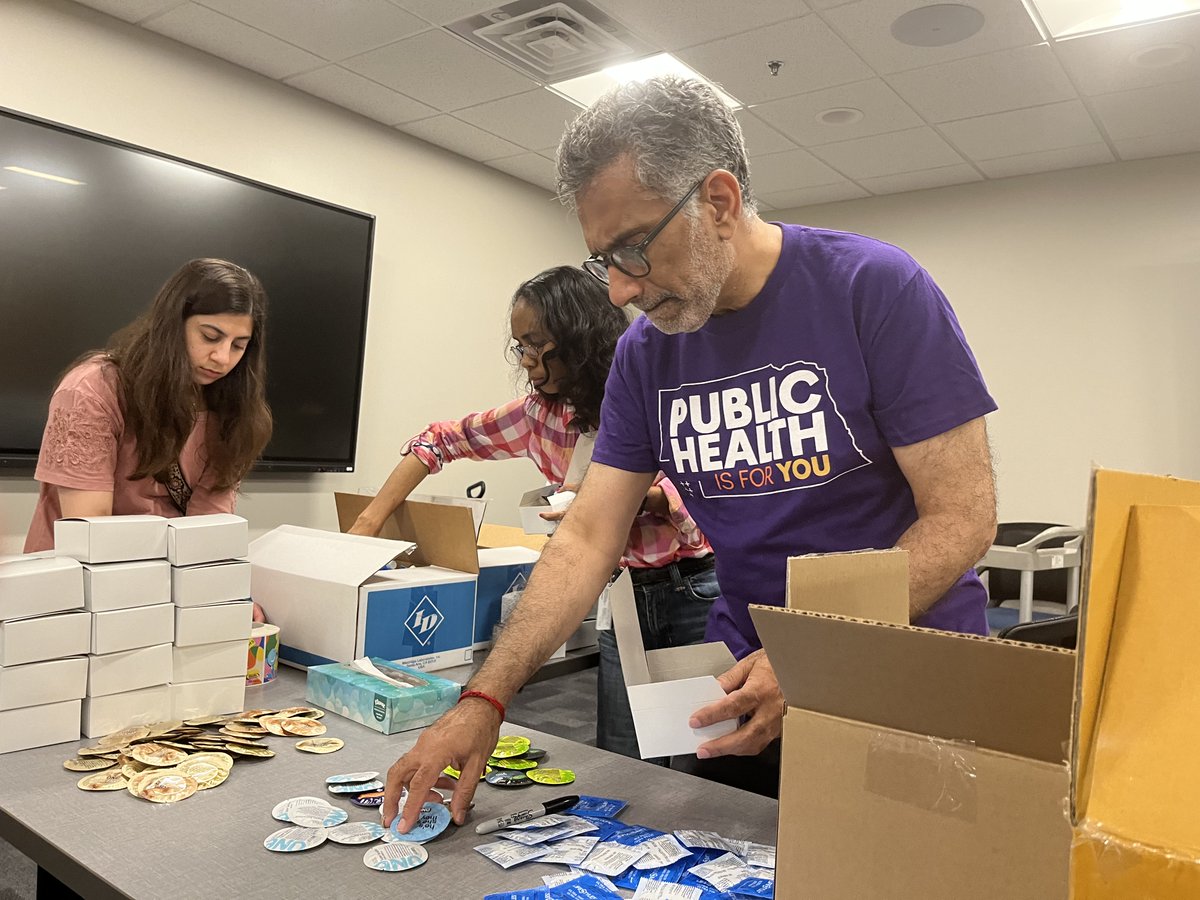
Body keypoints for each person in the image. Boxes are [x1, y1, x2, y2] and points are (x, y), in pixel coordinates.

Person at [384, 76, 997, 832]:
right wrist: (485, 697)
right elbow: (585, 537)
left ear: (719, 201)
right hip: (748, 682)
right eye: (603, 259)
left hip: (906, 679)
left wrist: (812, 656)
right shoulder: (648, 350)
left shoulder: (874, 287)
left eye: (633, 251)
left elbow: (962, 517)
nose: (616, 291)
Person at [348, 265, 718, 761]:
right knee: (624, 753)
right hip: (624, 594)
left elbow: (711, 494)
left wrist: (643, 501)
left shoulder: (653, 397)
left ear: (579, 339)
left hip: (694, 587)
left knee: (701, 748)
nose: (526, 361)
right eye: (520, 346)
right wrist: (370, 522)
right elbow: (437, 440)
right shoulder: (537, 416)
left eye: (536, 344)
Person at [25, 258, 273, 620]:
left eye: (239, 345)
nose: (221, 358)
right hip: (71, 602)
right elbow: (90, 534)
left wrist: (222, 597)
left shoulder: (233, 410)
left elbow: (207, 533)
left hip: (164, 600)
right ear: (173, 325)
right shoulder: (93, 390)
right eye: (210, 336)